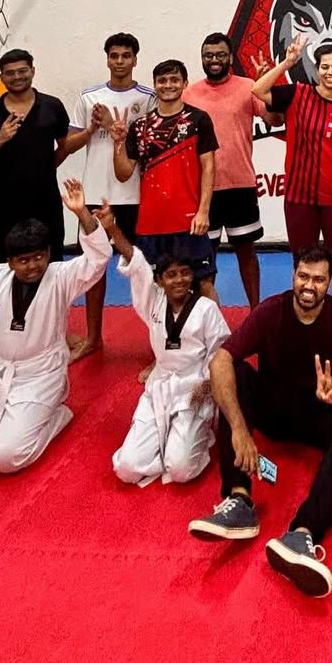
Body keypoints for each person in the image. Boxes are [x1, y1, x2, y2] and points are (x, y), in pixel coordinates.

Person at [187, 243, 332, 599]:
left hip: (317, 413)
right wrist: (240, 430)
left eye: (319, 279)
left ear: (330, 283)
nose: (309, 285)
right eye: (303, 276)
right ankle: (239, 501)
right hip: (273, 409)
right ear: (293, 274)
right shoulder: (271, 311)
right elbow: (220, 360)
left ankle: (302, 534)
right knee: (236, 373)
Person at [0, 181, 111, 475]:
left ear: (48, 254)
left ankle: (56, 415)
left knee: (6, 458)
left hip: (41, 375)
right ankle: (3, 425)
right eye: (23, 260)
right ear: (9, 262)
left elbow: (98, 259)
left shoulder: (61, 277)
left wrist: (82, 213)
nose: (32, 266)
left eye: (38, 257)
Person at [99, 207, 231, 487]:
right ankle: (167, 444)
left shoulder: (206, 309)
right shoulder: (154, 301)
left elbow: (222, 354)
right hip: (160, 387)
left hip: (195, 388)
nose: (179, 280)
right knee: (126, 468)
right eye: (171, 275)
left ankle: (197, 437)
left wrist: (207, 386)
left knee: (180, 470)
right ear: (159, 280)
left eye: (185, 273)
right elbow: (136, 263)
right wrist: (112, 229)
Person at [0, 49, 71, 378]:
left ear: (32, 71)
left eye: (22, 70)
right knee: (0, 274)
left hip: (45, 204)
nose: (17, 77)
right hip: (4, 209)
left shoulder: (52, 107)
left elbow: (63, 146)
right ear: (2, 77)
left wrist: (44, 171)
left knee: (52, 271)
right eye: (10, 73)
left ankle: (57, 336)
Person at [252, 37, 332, 307]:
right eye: (325, 67)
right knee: (302, 262)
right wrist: (287, 63)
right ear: (316, 69)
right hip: (299, 198)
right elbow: (258, 90)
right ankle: (304, 317)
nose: (330, 72)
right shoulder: (297, 94)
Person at [64, 33, 155, 361]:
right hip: (95, 193)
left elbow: (151, 144)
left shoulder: (149, 98)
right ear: (107, 59)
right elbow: (68, 144)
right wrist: (91, 129)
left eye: (125, 55)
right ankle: (93, 338)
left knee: (144, 268)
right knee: (94, 268)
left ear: (135, 59)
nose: (119, 61)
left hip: (136, 195)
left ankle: (156, 342)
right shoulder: (90, 97)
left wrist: (116, 124)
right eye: (114, 55)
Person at [112, 58, 219, 303]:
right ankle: (164, 329)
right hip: (151, 222)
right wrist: (118, 143)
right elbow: (123, 173)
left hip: (189, 221)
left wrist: (203, 211)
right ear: (155, 85)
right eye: (162, 80)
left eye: (174, 80)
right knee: (155, 287)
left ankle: (213, 329)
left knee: (203, 282)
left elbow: (209, 167)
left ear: (184, 83)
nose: (168, 85)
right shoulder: (140, 126)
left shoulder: (198, 120)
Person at [184, 32, 271, 309]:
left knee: (246, 252)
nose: (214, 60)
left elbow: (273, 118)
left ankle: (255, 311)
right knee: (204, 258)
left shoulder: (249, 86)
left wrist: (266, 85)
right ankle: (205, 317)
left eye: (220, 55)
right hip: (203, 190)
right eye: (208, 55)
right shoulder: (189, 94)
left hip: (240, 186)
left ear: (230, 57)